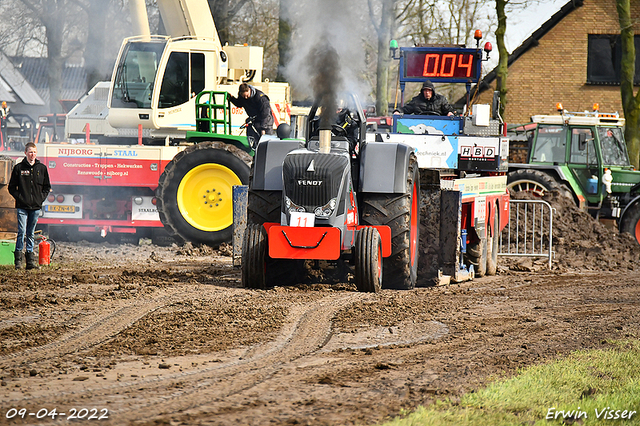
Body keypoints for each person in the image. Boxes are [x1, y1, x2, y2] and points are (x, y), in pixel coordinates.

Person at [8, 142, 51, 269]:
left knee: (30, 233)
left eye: (34, 152)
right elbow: (11, 187)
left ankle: (30, 262)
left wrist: (40, 199)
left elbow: (47, 187)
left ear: (36, 153)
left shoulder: (42, 168)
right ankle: (18, 261)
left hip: (35, 207)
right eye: (30, 152)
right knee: (21, 232)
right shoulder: (19, 168)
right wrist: (20, 198)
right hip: (22, 207)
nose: (32, 154)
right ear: (25, 153)